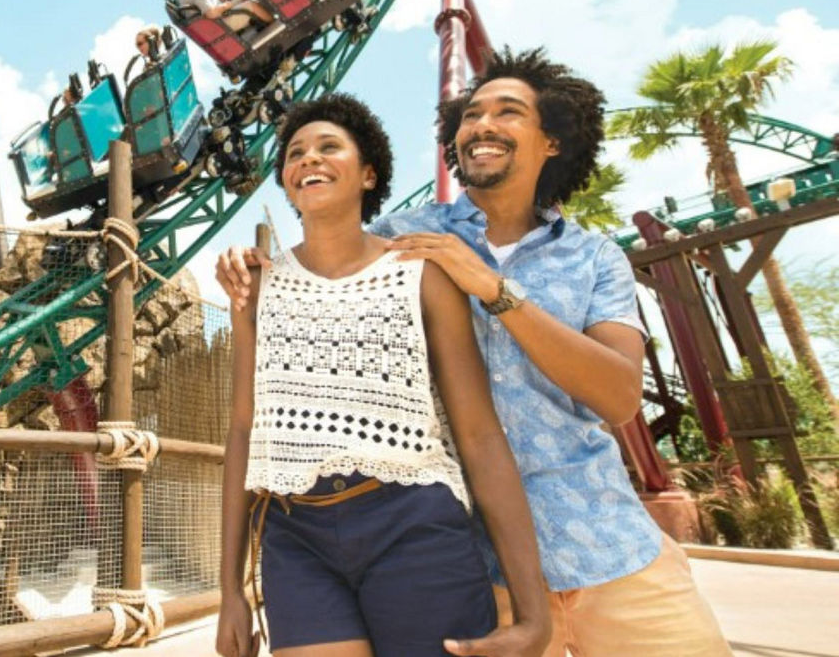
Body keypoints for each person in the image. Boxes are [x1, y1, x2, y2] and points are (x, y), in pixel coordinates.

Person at [216, 49, 732, 657]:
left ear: (553, 142)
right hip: (472, 552)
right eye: (471, 114)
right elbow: (330, 241)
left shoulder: (594, 258)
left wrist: (493, 289)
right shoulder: (407, 239)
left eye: (507, 112)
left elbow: (619, 398)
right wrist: (248, 268)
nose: (481, 125)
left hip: (600, 540)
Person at [216, 94, 550, 657]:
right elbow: (244, 433)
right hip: (296, 535)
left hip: (413, 524)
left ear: (369, 172)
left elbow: (478, 434)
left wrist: (533, 612)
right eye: (295, 154)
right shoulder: (255, 288)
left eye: (328, 147)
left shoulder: (420, 274)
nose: (308, 160)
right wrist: (229, 589)